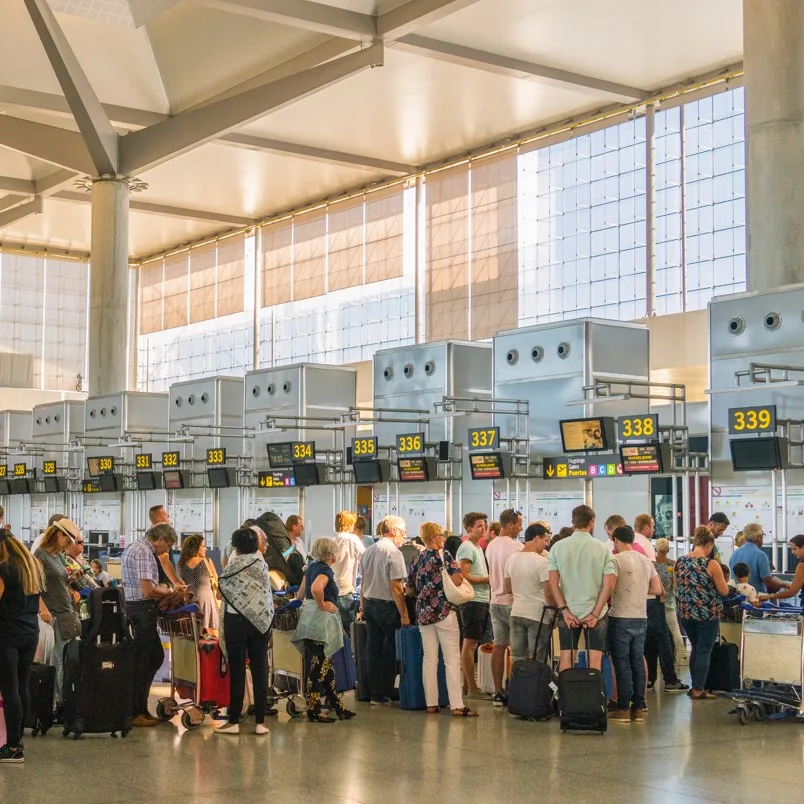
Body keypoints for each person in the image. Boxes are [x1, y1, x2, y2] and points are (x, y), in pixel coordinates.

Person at [407, 523, 477, 717]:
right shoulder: (443, 555)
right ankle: (457, 705)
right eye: (440, 535)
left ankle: (431, 703)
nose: (443, 539)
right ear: (432, 538)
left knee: (429, 658)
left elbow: (410, 588)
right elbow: (457, 579)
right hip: (444, 612)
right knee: (451, 659)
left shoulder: (416, 559)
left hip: (423, 614)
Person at [216, 528, 273, 735]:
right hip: (260, 622)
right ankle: (260, 722)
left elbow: (221, 591)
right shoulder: (261, 564)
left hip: (235, 621)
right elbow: (265, 594)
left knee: (237, 670)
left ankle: (233, 721)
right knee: (260, 670)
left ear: (236, 545)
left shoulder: (233, 563)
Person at [292, 537, 356, 723]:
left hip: (309, 622)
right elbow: (316, 588)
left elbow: (302, 592)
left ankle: (338, 706)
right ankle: (313, 709)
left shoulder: (311, 566)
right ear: (331, 556)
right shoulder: (325, 569)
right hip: (320, 625)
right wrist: (323, 605)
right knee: (319, 668)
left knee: (326, 668)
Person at [548, 505, 616, 672]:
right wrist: (594, 614)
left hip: (568, 612)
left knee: (567, 657)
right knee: (594, 659)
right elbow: (609, 585)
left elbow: (552, 583)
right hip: (596, 613)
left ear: (573, 522)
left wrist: (564, 610)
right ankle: (594, 697)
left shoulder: (557, 547)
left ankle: (566, 696)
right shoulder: (603, 549)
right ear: (591, 522)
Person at [121, 523, 176, 726]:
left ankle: (139, 708)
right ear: (159, 539)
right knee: (146, 660)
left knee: (151, 657)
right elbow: (147, 590)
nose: (166, 551)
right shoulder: (144, 552)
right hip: (142, 609)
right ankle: (136, 711)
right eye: (167, 545)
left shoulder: (134, 547)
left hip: (135, 608)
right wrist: (169, 591)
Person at [608, 526, 663, 724]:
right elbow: (657, 588)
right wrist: (640, 589)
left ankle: (623, 707)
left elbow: (610, 587)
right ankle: (639, 707)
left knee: (622, 662)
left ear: (615, 540)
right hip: (641, 616)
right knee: (637, 661)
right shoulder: (646, 560)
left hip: (620, 616)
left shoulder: (615, 560)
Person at [0, 527, 46, 763]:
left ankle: (13, 746)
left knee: (10, 689)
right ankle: (20, 740)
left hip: (7, 635)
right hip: (30, 632)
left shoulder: (4, 569)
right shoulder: (31, 566)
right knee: (21, 686)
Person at [359, 515, 410, 705]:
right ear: (393, 531)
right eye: (403, 532)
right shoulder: (393, 553)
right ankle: (389, 689)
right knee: (390, 650)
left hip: (371, 604)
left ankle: (375, 693)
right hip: (387, 607)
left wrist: (362, 606)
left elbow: (363, 582)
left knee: (373, 649)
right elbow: (396, 587)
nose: (404, 537)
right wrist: (404, 614)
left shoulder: (368, 551)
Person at [675, 526, 730, 700]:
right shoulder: (711, 564)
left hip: (685, 614)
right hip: (707, 614)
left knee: (696, 649)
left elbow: (677, 588)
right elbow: (723, 591)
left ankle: (695, 685)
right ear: (709, 543)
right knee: (704, 651)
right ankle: (699, 689)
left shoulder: (680, 561)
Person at [34, 519, 82, 714]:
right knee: (57, 659)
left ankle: (65, 700)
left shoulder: (59, 556)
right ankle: (56, 703)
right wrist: (42, 608)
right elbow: (34, 583)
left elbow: (61, 581)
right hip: (51, 614)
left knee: (68, 658)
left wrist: (72, 581)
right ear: (58, 535)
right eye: (67, 540)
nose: (69, 545)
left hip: (66, 612)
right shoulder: (40, 555)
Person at [638, 514, 688, 693]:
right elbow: (659, 578)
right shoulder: (648, 548)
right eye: (651, 526)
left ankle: (649, 679)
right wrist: (662, 592)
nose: (653, 529)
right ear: (645, 528)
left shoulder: (632, 544)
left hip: (639, 602)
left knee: (648, 641)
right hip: (659, 601)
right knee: (666, 638)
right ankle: (671, 677)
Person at [485, 508, 523, 705]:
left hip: (494, 601)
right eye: (518, 524)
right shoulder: (516, 547)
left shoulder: (491, 545)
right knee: (517, 650)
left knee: (498, 646)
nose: (521, 527)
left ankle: (498, 692)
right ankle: (516, 691)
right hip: (511, 603)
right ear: (510, 525)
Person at [504, 523, 554, 665]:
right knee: (537, 658)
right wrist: (554, 612)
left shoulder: (511, 560)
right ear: (536, 538)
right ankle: (536, 687)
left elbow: (508, 589)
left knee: (516, 657)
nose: (546, 545)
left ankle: (516, 686)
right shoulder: (542, 562)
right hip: (537, 615)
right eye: (545, 540)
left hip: (516, 612)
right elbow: (548, 592)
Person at [455, 512, 490, 698]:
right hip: (473, 601)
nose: (483, 529)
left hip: (481, 600)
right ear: (469, 529)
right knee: (470, 644)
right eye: (479, 526)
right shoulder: (467, 547)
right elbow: (464, 575)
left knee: (472, 643)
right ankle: (472, 688)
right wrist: (487, 579)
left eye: (484, 525)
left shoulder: (477, 547)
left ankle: (467, 686)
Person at [728, 522, 790, 595]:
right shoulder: (760, 555)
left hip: (738, 596)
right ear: (758, 537)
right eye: (762, 536)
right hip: (757, 597)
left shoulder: (734, 554)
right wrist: (783, 585)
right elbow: (768, 581)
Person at [654, 538, 688, 666]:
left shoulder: (652, 564)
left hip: (655, 602)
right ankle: (683, 654)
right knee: (675, 630)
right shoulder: (673, 565)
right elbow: (676, 586)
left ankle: (658, 657)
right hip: (669, 602)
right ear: (668, 549)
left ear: (656, 549)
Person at [178, 535, 220, 636]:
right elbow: (217, 580)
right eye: (203, 546)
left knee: (194, 634)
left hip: (190, 601)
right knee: (213, 634)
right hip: (207, 600)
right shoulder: (206, 561)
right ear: (195, 548)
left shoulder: (181, 564)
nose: (206, 549)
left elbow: (182, 583)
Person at [331, 511, 365, 632]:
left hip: (332, 591)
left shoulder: (332, 540)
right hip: (345, 591)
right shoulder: (352, 540)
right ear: (350, 524)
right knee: (352, 633)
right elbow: (365, 559)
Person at [760, 534, 804, 604]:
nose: (792, 552)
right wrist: (784, 584)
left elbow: (792, 592)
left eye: (794, 549)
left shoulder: (802, 566)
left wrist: (770, 596)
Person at [149, 505, 183, 589]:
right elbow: (164, 560)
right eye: (166, 515)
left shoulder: (156, 535)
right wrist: (176, 582)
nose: (169, 517)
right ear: (159, 519)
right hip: (161, 583)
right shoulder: (160, 536)